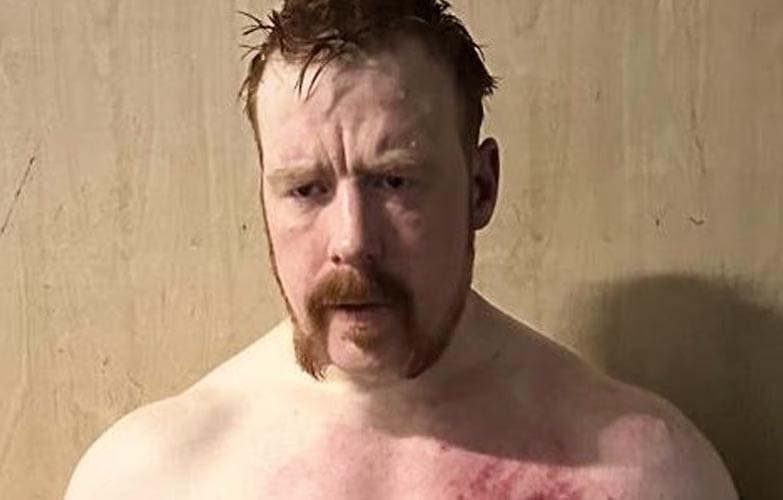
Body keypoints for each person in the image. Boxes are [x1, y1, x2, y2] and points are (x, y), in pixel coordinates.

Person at [65, 1, 738, 498]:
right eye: (306, 190)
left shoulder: (644, 475)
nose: (353, 242)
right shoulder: (153, 478)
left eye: (395, 181)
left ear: (480, 187)